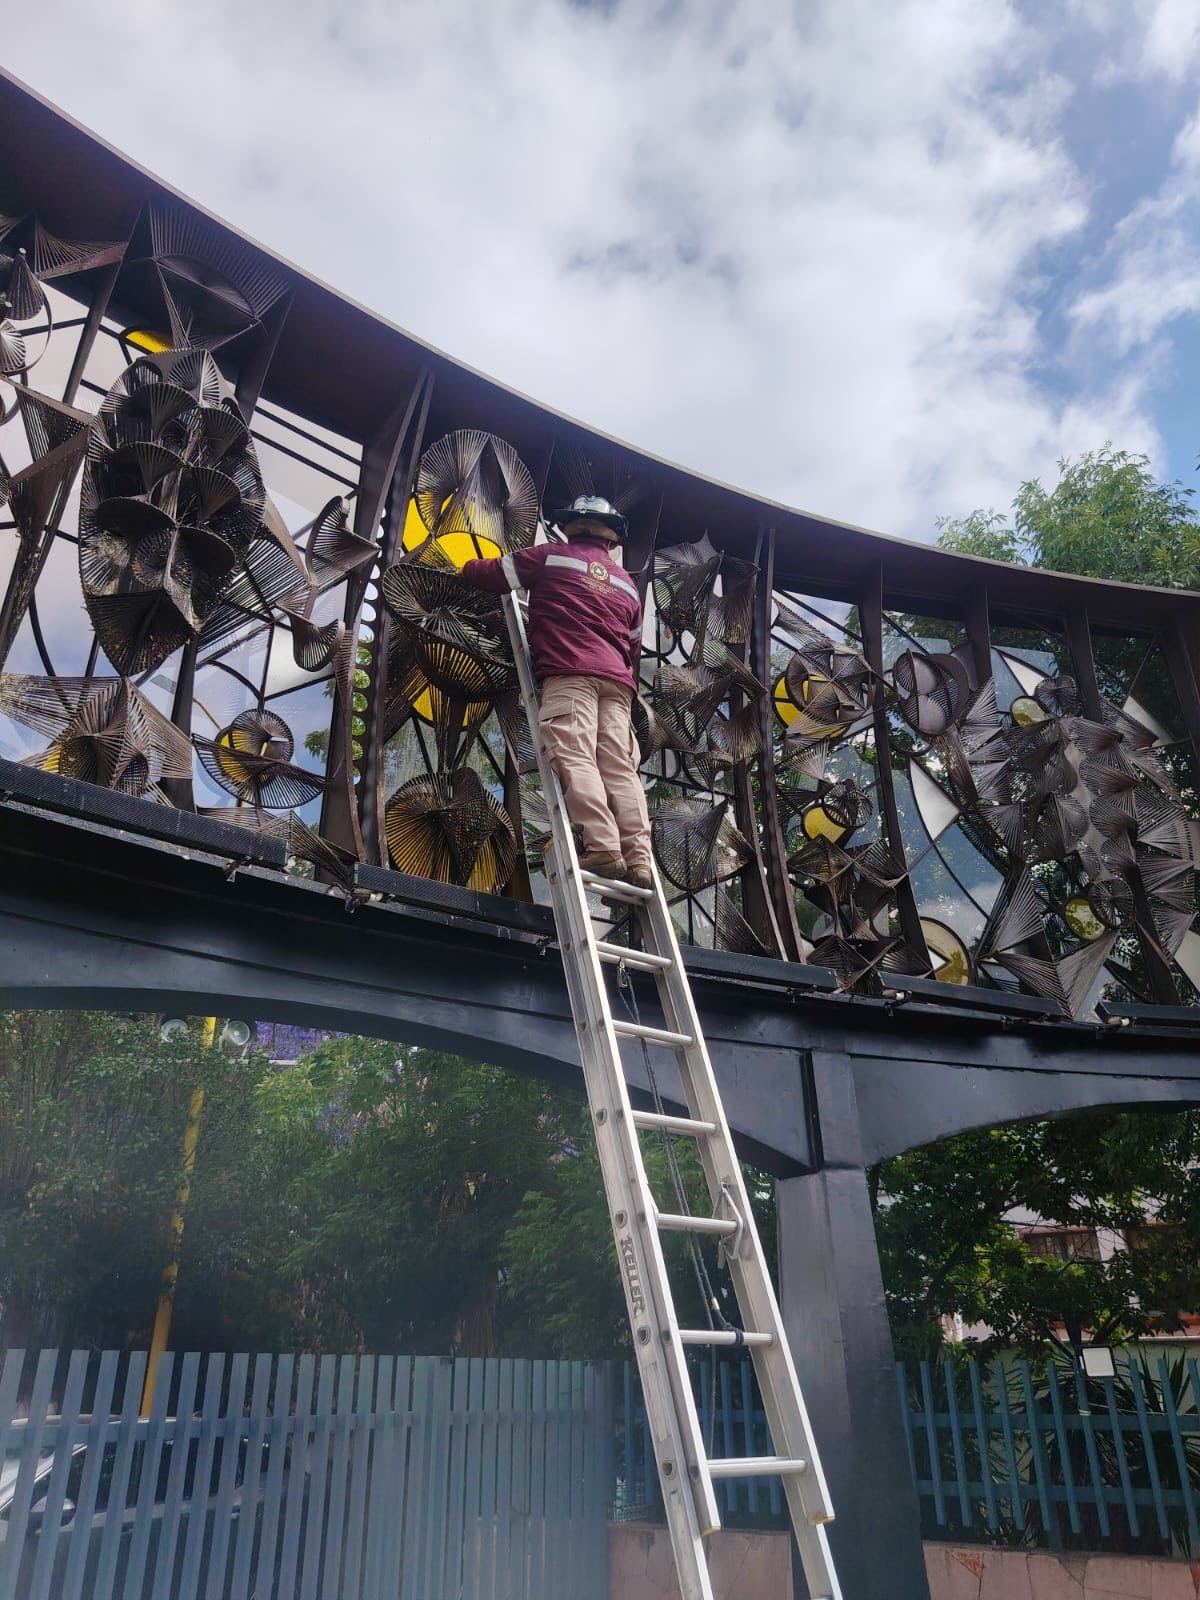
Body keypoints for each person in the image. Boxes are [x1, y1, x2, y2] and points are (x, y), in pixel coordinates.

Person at [458, 495, 652, 889]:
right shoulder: (628, 586)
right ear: (610, 537)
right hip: (618, 685)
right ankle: (640, 859)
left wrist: (460, 566)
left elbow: (494, 574)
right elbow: (632, 648)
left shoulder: (551, 558)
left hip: (570, 674)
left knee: (575, 754)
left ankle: (603, 847)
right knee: (619, 768)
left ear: (572, 525)